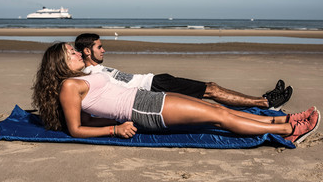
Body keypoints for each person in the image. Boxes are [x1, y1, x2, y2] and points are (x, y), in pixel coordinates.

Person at [31, 42, 320, 144]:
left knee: (218, 110)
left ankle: (281, 122)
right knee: (217, 118)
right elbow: (76, 128)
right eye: (71, 53)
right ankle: (288, 131)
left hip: (148, 100)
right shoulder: (69, 86)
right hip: (142, 110)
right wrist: (114, 130)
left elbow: (90, 111)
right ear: (60, 63)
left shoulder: (83, 76)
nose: (76, 54)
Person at [74, 33, 292, 110]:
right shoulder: (89, 77)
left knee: (210, 88)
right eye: (99, 47)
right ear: (87, 51)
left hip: (155, 79)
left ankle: (263, 100)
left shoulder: (99, 68)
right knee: (211, 90)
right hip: (153, 88)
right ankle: (265, 103)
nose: (104, 49)